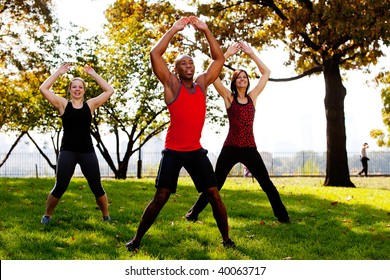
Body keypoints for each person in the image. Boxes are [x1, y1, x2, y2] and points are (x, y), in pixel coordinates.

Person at [125, 16, 235, 251]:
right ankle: (136, 240)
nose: (189, 66)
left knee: (214, 195)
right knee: (162, 196)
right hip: (173, 152)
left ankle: (226, 240)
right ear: (175, 70)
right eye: (183, 64)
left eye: (191, 63)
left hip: (195, 151)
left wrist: (206, 29)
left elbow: (219, 58)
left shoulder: (202, 84)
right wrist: (174, 29)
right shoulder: (172, 85)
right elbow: (155, 55)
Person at [186, 42, 290, 224]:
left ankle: (283, 217)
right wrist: (226, 54)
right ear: (234, 82)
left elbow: (266, 73)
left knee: (267, 184)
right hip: (231, 148)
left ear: (248, 81)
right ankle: (192, 214)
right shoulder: (228, 97)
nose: (242, 79)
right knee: (214, 186)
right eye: (238, 77)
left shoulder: (253, 97)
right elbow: (212, 75)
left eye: (245, 77)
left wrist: (251, 53)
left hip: (250, 148)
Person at [39, 63, 114, 224]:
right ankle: (47, 215)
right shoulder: (63, 104)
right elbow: (43, 89)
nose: (77, 89)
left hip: (87, 151)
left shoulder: (91, 105)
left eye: (80, 87)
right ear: (70, 90)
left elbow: (109, 90)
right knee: (60, 186)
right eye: (74, 87)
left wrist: (94, 74)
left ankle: (106, 216)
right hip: (68, 151)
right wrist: (59, 72)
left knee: (96, 186)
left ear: (84, 90)